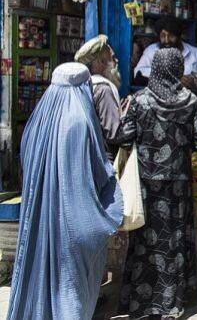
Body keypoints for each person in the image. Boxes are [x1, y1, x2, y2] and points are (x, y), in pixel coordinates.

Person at [7, 62, 123, 320]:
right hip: (72, 220)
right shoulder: (80, 122)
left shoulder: (36, 123)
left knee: (40, 278)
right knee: (71, 289)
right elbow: (96, 174)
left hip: (39, 219)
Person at [116, 48, 197, 319]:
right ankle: (172, 304)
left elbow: (123, 138)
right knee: (174, 241)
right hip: (178, 184)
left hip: (146, 183)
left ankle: (141, 304)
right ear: (178, 69)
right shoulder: (190, 101)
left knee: (145, 242)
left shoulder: (139, 101)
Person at [75, 34, 124, 161]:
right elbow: (114, 134)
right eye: (112, 58)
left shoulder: (85, 85)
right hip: (104, 162)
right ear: (101, 62)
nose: (116, 61)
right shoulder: (104, 89)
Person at [133, 16, 197, 86]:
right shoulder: (152, 51)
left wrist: (195, 82)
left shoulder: (195, 53)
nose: (167, 40)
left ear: (179, 36)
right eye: (163, 36)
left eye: (171, 36)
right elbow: (138, 72)